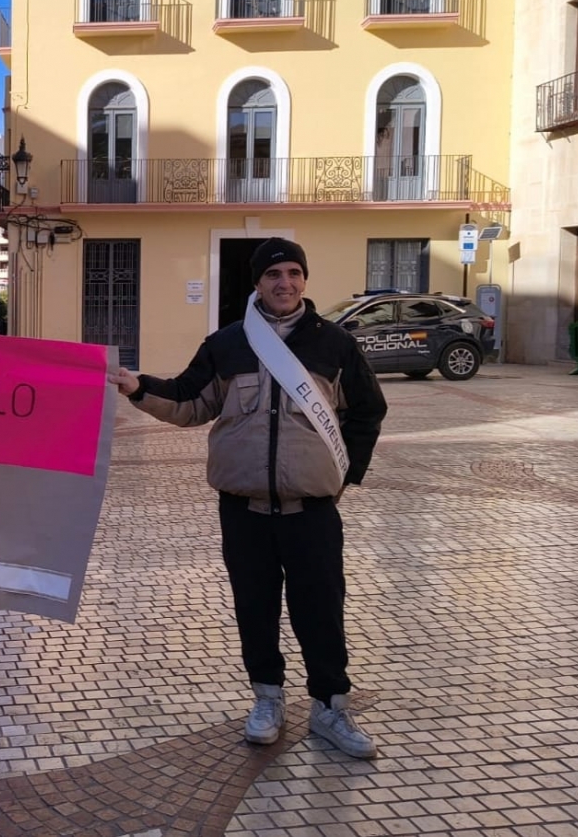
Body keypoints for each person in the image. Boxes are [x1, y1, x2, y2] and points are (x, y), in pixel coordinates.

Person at [110, 238, 387, 759]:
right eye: (274, 275)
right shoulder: (228, 343)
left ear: (304, 280)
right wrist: (138, 387)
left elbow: (368, 410)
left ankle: (331, 707)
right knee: (254, 608)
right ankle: (267, 699)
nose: (285, 283)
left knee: (321, 611)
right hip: (244, 510)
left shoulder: (334, 344)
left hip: (312, 511)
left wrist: (342, 474)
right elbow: (189, 402)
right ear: (257, 283)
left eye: (294, 273)